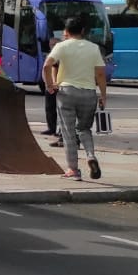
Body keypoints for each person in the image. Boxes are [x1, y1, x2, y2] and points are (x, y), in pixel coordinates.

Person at [43, 15, 107, 180]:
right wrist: (103, 95)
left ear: (66, 31)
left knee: (68, 132)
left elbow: (47, 65)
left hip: (66, 92)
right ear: (83, 31)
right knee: (84, 129)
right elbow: (100, 73)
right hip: (88, 93)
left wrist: (51, 85)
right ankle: (91, 155)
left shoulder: (61, 46)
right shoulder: (93, 48)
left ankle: (73, 170)